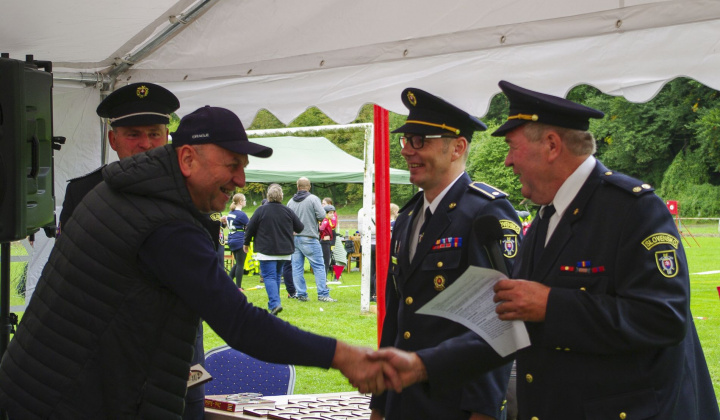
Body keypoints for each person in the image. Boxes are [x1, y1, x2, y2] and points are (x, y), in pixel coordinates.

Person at [0, 105, 400, 419]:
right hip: (71, 401)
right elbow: (241, 323)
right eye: (232, 165)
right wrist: (343, 355)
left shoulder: (122, 192)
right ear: (187, 159)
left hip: (48, 391)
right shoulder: (165, 226)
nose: (242, 180)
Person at [371, 81, 720, 420]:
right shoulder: (546, 219)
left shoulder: (632, 209)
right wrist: (423, 365)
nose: (507, 162)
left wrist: (551, 305)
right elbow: (511, 326)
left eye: (512, 147)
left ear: (552, 145)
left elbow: (664, 319)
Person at [54, 82, 207, 420]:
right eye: (133, 134)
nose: (146, 144)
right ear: (113, 140)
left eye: (154, 133)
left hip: (177, 354)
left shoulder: (197, 193)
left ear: (168, 135)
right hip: (109, 356)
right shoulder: (84, 194)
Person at [370, 88, 522, 420]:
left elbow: (499, 325)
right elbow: (397, 318)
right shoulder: (408, 217)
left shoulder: (485, 213)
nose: (407, 151)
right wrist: (380, 405)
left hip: (453, 406)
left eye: (419, 141)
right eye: (405, 141)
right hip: (403, 403)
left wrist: (482, 412)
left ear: (457, 147)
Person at [244, 184, 303, 316]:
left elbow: (250, 228)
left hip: (267, 250)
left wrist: (246, 243)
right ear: (281, 196)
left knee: (269, 276)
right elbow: (299, 227)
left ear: (268, 196)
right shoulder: (287, 211)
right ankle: (276, 303)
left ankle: (275, 304)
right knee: (276, 276)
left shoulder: (261, 210)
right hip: (284, 251)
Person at [287, 177, 336, 302]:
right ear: (308, 187)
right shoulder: (313, 199)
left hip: (294, 238)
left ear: (297, 187)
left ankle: (301, 294)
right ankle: (323, 294)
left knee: (297, 268)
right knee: (319, 266)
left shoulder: (290, 202)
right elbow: (321, 215)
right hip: (309, 237)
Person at [226, 193, 250, 290]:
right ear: (240, 202)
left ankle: (228, 281)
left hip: (232, 239)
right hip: (239, 239)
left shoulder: (230, 213)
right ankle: (238, 287)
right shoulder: (241, 214)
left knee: (237, 263)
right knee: (240, 264)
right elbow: (249, 226)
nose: (245, 202)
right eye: (244, 200)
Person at [319, 204, 338, 279]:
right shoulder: (326, 221)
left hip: (328, 242)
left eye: (333, 212)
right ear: (326, 213)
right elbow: (321, 229)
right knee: (326, 261)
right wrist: (323, 236)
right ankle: (324, 278)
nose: (332, 214)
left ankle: (326, 277)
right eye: (330, 213)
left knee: (328, 260)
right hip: (325, 242)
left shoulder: (329, 221)